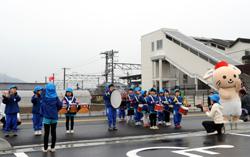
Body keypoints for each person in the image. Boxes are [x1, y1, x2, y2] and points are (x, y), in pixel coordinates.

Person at [40, 83, 62, 152]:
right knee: (53, 133)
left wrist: (45, 88)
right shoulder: (56, 97)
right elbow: (60, 105)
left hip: (46, 117)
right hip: (54, 117)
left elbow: (42, 91)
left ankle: (45, 148)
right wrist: (56, 110)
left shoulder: (45, 97)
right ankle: (53, 148)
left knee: (46, 133)